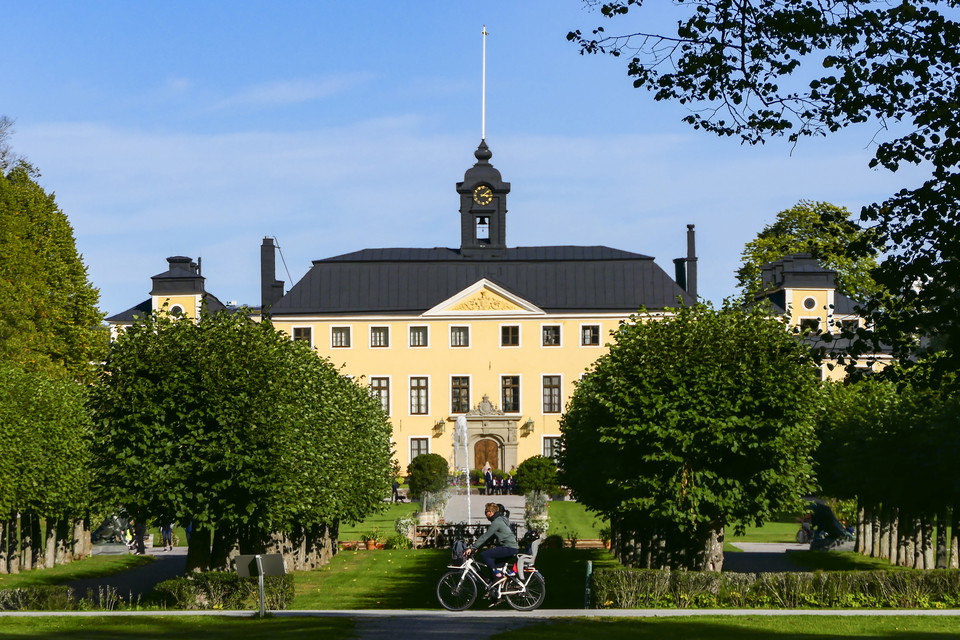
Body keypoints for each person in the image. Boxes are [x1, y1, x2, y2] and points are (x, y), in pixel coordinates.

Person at [465, 502, 519, 582]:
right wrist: (478, 547)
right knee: (494, 565)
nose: (485, 514)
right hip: (512, 548)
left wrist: (472, 547)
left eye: (486, 512)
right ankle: (496, 589)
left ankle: (498, 576)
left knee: (485, 555)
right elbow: (490, 538)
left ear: (491, 512)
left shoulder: (496, 522)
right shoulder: (501, 519)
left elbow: (485, 536)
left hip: (508, 548)